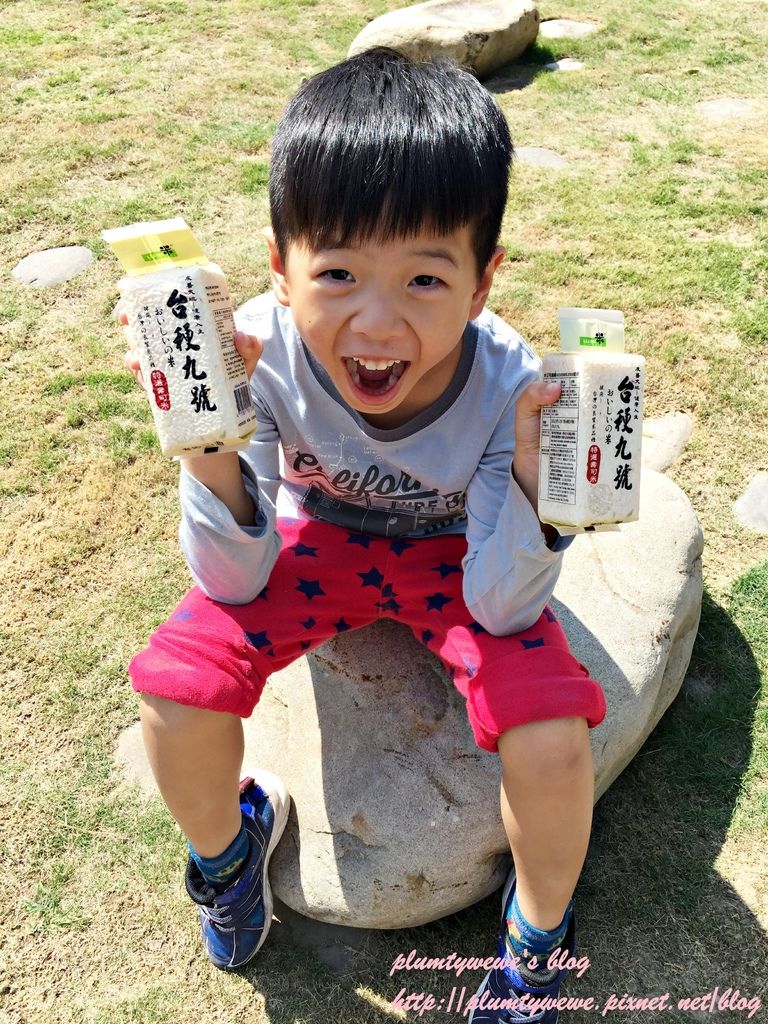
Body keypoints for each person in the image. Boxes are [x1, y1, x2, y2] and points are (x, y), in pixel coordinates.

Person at [122, 46, 606, 1023]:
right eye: (337, 272)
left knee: (555, 738)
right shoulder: (256, 350)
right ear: (281, 267)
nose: (376, 324)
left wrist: (531, 477)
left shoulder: (511, 385)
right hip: (316, 542)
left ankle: (537, 940)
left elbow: (501, 605)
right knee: (174, 690)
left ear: (482, 283)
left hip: (456, 554)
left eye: (425, 278)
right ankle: (229, 859)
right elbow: (232, 580)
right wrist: (209, 442)